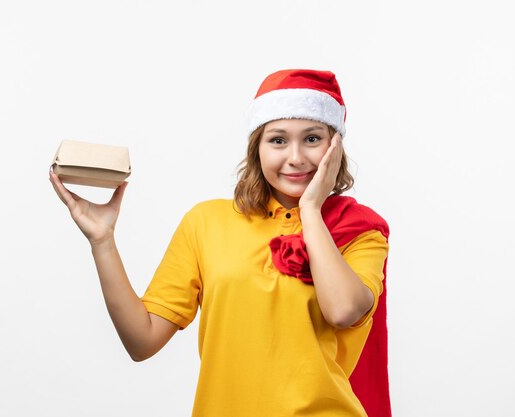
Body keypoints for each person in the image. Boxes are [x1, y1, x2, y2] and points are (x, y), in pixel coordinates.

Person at [49, 69, 391, 417]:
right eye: (277, 140)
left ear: (335, 147)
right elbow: (142, 341)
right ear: (256, 148)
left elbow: (344, 310)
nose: (296, 157)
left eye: (313, 139)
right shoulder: (206, 222)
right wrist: (102, 241)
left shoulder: (363, 232)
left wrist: (311, 210)